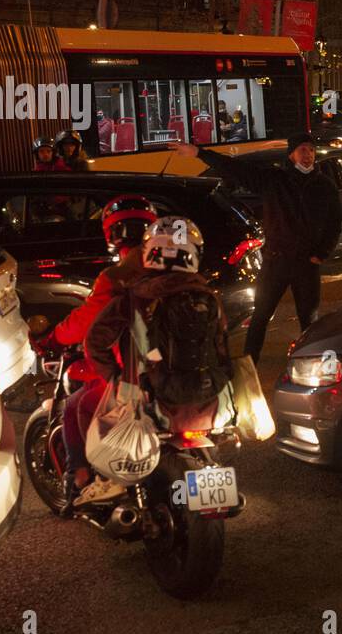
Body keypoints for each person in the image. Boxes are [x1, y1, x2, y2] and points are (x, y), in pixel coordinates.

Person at [81, 215, 232, 504]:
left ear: (150, 252)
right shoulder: (207, 295)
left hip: (148, 398)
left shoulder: (134, 297)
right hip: (208, 397)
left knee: (91, 414)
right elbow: (222, 344)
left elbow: (95, 342)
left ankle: (107, 487)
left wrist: (116, 379)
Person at [167, 131, 342, 363]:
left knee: (309, 320)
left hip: (306, 263)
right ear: (292, 154)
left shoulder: (324, 185)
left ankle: (310, 365)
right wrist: (199, 153)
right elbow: (235, 169)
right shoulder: (274, 180)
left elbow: (334, 222)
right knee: (260, 317)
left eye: (311, 150)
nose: (308, 155)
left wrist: (321, 254)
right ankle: (250, 365)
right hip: (276, 261)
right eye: (302, 150)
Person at [32, 195, 157, 508]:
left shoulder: (115, 278)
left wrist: (54, 339)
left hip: (134, 377)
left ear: (112, 235)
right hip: (179, 371)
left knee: (76, 405)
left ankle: (85, 479)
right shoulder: (175, 269)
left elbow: (88, 320)